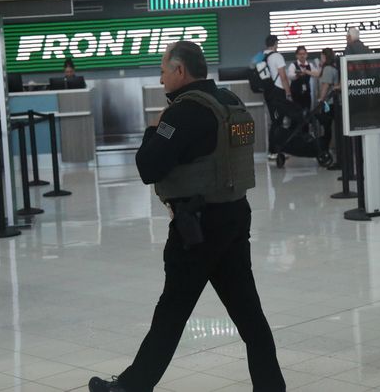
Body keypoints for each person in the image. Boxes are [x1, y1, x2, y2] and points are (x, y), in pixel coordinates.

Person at [88, 41, 285, 392]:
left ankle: (130, 388)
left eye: (164, 71)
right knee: (249, 314)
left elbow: (147, 167)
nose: (161, 78)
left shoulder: (181, 113)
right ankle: (271, 386)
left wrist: (154, 128)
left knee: (172, 312)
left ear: (180, 71)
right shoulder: (229, 102)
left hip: (197, 227)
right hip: (234, 215)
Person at [260, 35, 291, 160]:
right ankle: (274, 151)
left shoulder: (261, 57)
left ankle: (276, 150)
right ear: (275, 44)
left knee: (275, 121)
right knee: (277, 122)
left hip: (268, 92)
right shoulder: (277, 56)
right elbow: (283, 76)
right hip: (278, 92)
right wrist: (288, 92)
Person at [316, 47, 339, 149]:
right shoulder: (333, 67)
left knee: (327, 127)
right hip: (333, 102)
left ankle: (325, 147)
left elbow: (325, 86)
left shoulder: (328, 69)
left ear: (325, 56)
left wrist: (321, 99)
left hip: (328, 103)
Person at [286, 45, 316, 111]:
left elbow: (315, 74)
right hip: (295, 93)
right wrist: (297, 75)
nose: (302, 56)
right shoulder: (293, 65)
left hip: (307, 93)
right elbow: (290, 75)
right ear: (296, 55)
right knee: (297, 112)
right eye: (300, 54)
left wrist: (308, 72)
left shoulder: (310, 65)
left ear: (306, 55)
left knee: (308, 110)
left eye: (304, 54)